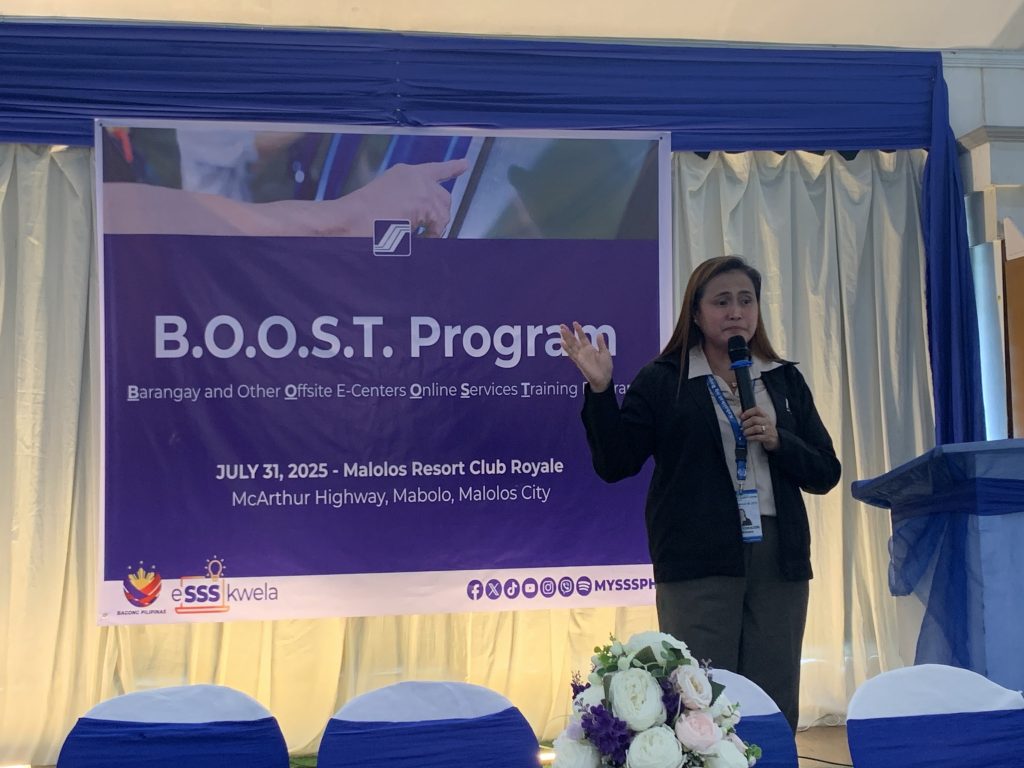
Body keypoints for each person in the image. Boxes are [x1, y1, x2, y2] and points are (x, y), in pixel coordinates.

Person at [559, 255, 841, 731]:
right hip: (697, 557)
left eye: (746, 301)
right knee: (701, 699)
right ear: (695, 312)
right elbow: (616, 463)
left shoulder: (782, 379)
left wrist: (779, 440)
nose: (736, 312)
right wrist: (602, 389)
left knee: (771, 697)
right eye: (722, 301)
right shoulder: (664, 380)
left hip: (779, 556)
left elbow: (825, 471)